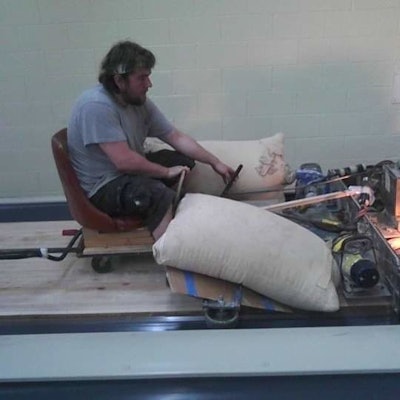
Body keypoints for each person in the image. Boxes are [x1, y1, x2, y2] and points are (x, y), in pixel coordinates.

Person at [68, 40, 235, 240]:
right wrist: (165, 173)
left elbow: (175, 136)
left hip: (124, 174)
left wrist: (215, 162)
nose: (149, 84)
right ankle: (170, 255)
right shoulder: (96, 106)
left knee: (183, 163)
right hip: (103, 187)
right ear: (119, 81)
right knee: (159, 194)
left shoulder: (139, 103)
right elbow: (124, 162)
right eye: (142, 78)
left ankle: (163, 215)